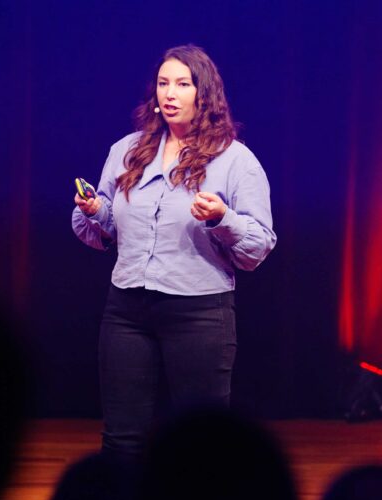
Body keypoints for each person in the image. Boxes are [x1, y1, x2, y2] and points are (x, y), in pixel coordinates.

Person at [72, 44, 276, 459]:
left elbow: (259, 246)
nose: (170, 93)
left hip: (198, 313)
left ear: (204, 94)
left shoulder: (235, 160)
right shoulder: (127, 150)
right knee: (122, 440)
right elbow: (107, 229)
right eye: (163, 83)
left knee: (201, 443)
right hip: (127, 310)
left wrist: (222, 218)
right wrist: (96, 211)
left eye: (183, 84)